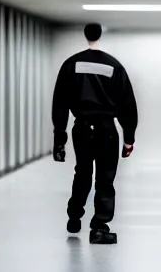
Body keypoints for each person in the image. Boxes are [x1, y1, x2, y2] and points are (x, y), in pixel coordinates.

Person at [52, 23, 138, 244]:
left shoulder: (71, 65)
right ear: (100, 35)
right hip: (107, 129)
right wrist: (129, 137)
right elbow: (127, 103)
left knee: (82, 173)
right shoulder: (114, 66)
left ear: (85, 35)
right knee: (105, 179)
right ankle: (100, 225)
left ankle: (74, 216)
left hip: (81, 127)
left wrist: (59, 136)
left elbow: (60, 103)